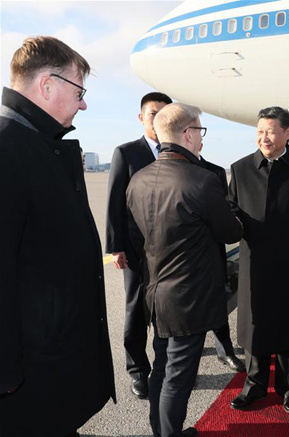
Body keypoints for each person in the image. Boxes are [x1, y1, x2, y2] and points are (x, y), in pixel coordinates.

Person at [0, 36, 115, 436]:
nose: (83, 104)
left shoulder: (38, 146)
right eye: (79, 91)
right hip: (27, 373)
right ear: (47, 86)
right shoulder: (7, 148)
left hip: (49, 361)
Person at [127, 103, 243, 437]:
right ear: (188, 134)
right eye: (200, 133)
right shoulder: (201, 180)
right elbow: (231, 233)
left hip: (155, 293)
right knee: (177, 378)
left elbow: (137, 239)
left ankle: (161, 430)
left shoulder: (139, 179)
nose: (202, 142)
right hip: (189, 299)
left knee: (162, 370)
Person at [228, 106, 289, 414]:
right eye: (260, 131)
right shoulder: (241, 168)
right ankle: (255, 386)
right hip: (254, 263)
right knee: (256, 326)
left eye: (271, 131)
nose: (264, 137)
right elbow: (231, 210)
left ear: (287, 132)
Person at [106, 91, 172, 398]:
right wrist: (115, 246)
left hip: (170, 252)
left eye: (163, 114)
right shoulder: (126, 153)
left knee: (165, 311)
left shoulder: (177, 153)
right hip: (134, 250)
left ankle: (164, 367)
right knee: (135, 312)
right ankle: (137, 370)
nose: (157, 120)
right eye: (152, 114)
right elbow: (114, 203)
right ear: (141, 117)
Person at [198, 142, 246, 373]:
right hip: (184, 254)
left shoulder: (215, 171)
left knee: (218, 302)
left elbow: (226, 209)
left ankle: (225, 351)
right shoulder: (169, 170)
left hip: (213, 248)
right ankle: (189, 355)